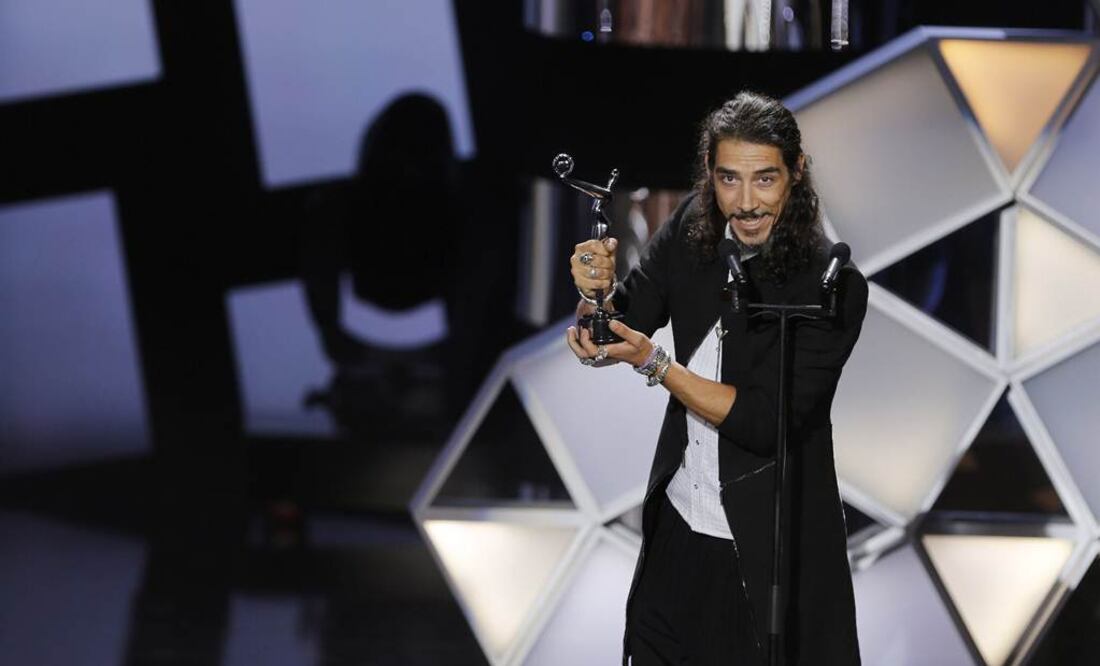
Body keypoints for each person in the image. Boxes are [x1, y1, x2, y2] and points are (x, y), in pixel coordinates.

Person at [566, 91, 867, 665]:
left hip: (761, 554)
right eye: (729, 179)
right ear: (710, 172)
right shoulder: (692, 229)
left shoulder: (830, 284)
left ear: (796, 172)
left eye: (764, 180)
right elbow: (625, 318)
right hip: (678, 531)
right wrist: (593, 298)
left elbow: (763, 421)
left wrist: (656, 364)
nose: (746, 202)